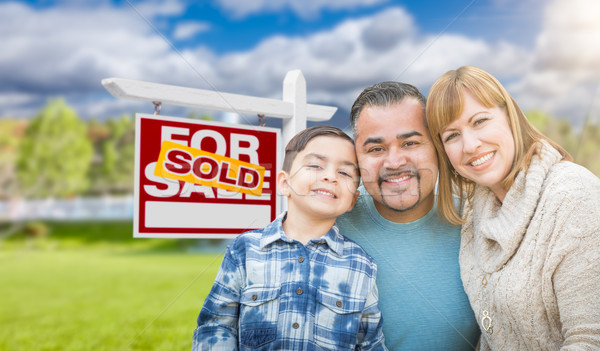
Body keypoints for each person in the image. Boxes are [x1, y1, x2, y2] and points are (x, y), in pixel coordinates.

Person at [426, 65, 600, 350]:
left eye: (480, 121)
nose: (470, 145)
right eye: (451, 136)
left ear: (510, 116)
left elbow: (590, 341)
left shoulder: (572, 195)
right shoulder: (476, 208)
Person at [192, 125, 387, 350]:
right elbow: (216, 326)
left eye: (344, 172)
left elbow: (370, 343)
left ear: (353, 199)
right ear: (285, 183)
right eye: (315, 165)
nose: (330, 176)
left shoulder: (361, 265)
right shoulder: (245, 250)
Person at [336, 82, 480, 350]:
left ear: (437, 147)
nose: (394, 162)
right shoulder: (331, 227)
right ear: (356, 158)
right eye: (376, 149)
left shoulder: (477, 221)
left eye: (410, 143)